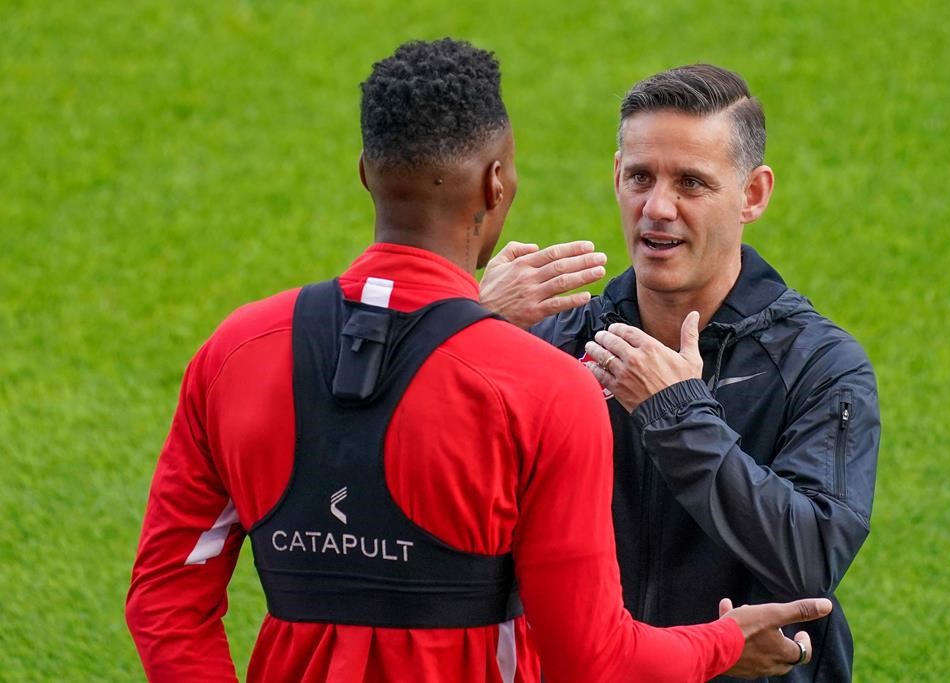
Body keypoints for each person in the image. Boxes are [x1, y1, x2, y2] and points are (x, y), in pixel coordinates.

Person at [125, 41, 833, 683]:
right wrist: (717, 641)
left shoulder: (235, 353)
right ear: (497, 185)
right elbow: (592, 658)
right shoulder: (546, 387)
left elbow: (164, 600)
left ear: (367, 173)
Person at [482, 64, 881, 682]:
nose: (657, 208)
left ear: (753, 194)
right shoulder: (548, 343)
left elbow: (811, 554)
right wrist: (469, 331)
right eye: (641, 177)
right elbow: (417, 495)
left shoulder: (819, 366)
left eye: (691, 183)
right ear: (617, 175)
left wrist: (679, 416)